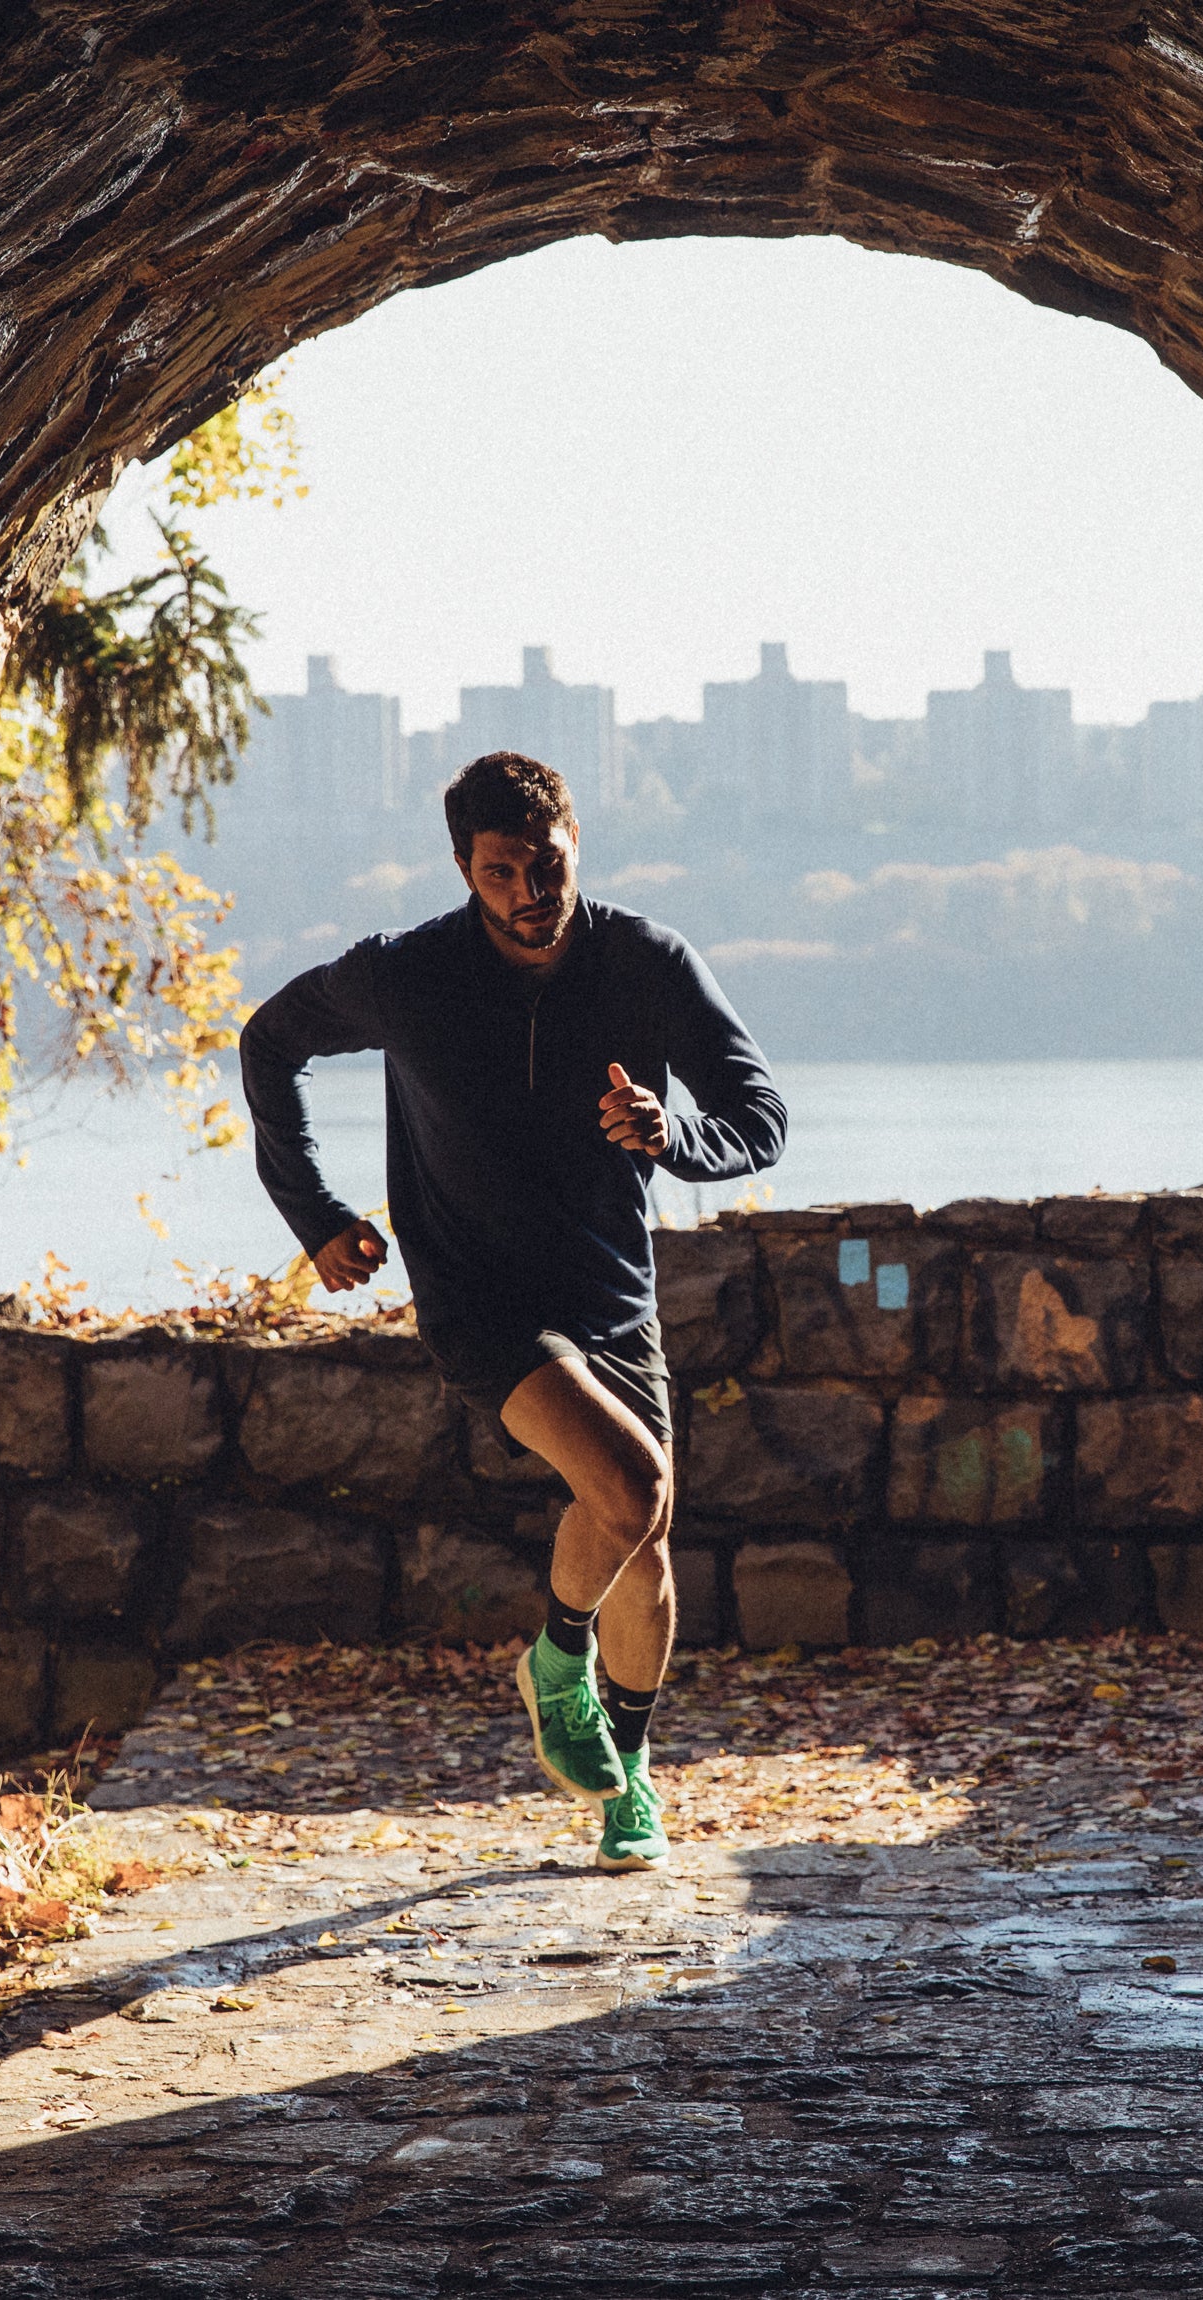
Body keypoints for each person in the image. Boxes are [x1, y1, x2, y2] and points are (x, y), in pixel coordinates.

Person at [237, 751, 788, 1869]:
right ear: (464, 869)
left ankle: (628, 1776)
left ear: (574, 841)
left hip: (610, 1291)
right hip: (478, 1293)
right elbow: (270, 1041)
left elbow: (761, 1113)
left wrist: (672, 1137)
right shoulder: (410, 974)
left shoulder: (646, 962)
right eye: (501, 873)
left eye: (547, 864)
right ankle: (555, 1657)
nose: (529, 892)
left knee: (649, 1544)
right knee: (630, 1484)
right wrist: (315, 1213)